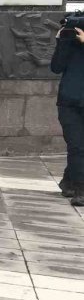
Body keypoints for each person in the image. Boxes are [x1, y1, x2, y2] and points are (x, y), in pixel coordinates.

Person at [51, 25, 84, 207]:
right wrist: (61, 41)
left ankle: (69, 181)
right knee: (77, 146)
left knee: (79, 147)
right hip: (69, 102)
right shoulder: (69, 41)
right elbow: (56, 67)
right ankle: (81, 189)